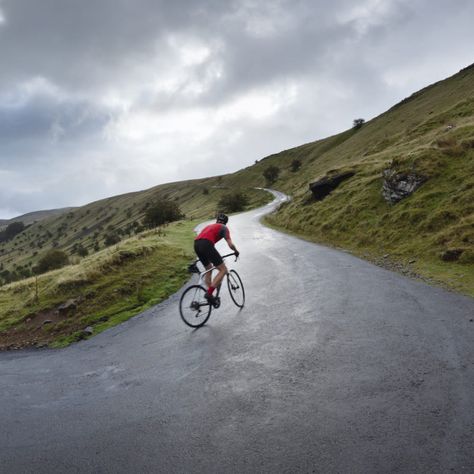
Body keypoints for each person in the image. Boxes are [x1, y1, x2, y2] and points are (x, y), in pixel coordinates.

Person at [194, 212, 239, 306]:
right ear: (225, 223)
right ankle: (209, 294)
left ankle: (210, 294)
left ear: (217, 221)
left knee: (208, 268)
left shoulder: (209, 226)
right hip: (206, 245)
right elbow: (230, 244)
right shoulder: (224, 228)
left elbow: (204, 239)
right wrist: (236, 251)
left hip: (196, 244)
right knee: (223, 270)